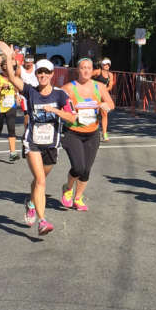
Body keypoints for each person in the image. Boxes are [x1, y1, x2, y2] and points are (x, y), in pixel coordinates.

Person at [0, 48, 77, 235]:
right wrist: (10, 58)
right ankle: (42, 221)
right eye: (39, 72)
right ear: (36, 74)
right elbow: (11, 76)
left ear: (51, 75)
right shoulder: (30, 91)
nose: (42, 75)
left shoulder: (60, 95)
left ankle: (31, 202)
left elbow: (72, 118)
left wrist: (55, 111)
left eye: (46, 72)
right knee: (41, 180)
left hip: (51, 144)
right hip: (32, 142)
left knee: (39, 180)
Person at [59, 57, 115, 210]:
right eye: (83, 68)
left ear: (92, 70)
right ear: (78, 70)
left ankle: (78, 198)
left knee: (86, 170)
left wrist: (105, 106)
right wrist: (69, 111)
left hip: (92, 133)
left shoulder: (99, 87)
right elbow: (59, 106)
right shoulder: (69, 88)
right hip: (73, 132)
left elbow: (111, 104)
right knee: (78, 167)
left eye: (89, 68)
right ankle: (68, 188)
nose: (86, 71)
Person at [93, 58, 116, 141]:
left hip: (103, 96)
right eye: (105, 64)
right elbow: (87, 77)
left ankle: (104, 133)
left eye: (108, 64)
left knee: (104, 114)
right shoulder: (97, 72)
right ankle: (91, 131)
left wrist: (103, 91)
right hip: (93, 95)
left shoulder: (110, 75)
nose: (106, 66)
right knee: (93, 113)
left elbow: (110, 86)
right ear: (102, 65)